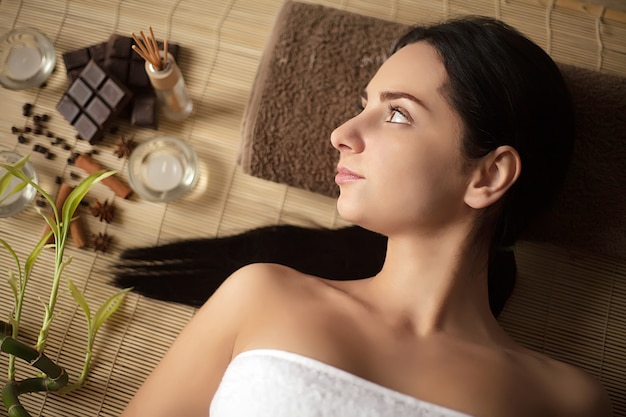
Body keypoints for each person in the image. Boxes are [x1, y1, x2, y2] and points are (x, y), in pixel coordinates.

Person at [121, 16, 612, 417]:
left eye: (397, 113)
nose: (341, 132)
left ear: (488, 175)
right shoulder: (258, 295)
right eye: (364, 105)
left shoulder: (565, 401)